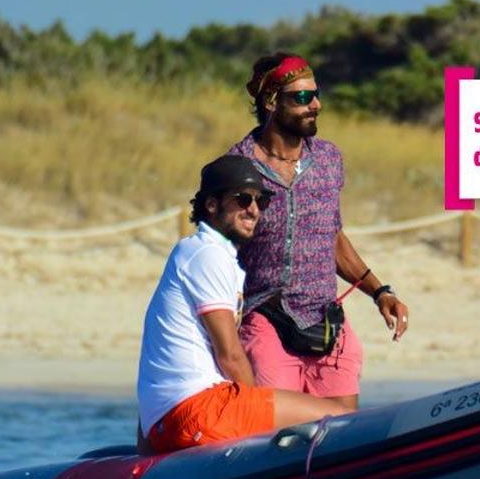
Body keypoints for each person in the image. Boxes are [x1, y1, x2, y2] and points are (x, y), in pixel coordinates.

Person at [228, 52, 409, 411]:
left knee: (341, 443)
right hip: (267, 325)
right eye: (302, 97)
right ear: (270, 102)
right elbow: (221, 248)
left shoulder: (328, 158)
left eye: (316, 94)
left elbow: (333, 237)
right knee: (273, 443)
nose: (315, 104)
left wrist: (380, 292)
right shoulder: (236, 167)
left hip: (328, 327)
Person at [136, 155, 347, 454]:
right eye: (243, 199)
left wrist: (146, 451)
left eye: (261, 201)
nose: (254, 210)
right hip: (200, 410)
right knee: (339, 418)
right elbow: (231, 355)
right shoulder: (208, 255)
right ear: (211, 204)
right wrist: (253, 412)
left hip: (162, 423)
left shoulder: (192, 253)